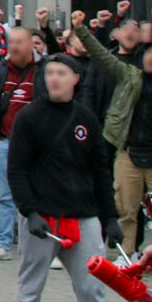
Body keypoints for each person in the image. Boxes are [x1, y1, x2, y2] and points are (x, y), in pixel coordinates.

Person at [9, 54, 118, 301]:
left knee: (93, 288)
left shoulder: (87, 119)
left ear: (76, 79)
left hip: (83, 215)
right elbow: (17, 170)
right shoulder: (28, 117)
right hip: (42, 218)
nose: (54, 79)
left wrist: (110, 217)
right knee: (30, 288)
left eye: (61, 73)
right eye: (50, 73)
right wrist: (30, 212)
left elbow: (101, 171)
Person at [71, 13, 152, 251]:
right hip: (128, 151)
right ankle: (127, 256)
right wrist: (82, 30)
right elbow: (101, 56)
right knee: (126, 209)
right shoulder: (128, 75)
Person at [0, 27, 45, 263]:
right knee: (5, 197)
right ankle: (3, 243)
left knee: (40, 196)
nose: (14, 47)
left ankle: (41, 248)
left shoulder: (44, 68)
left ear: (31, 45)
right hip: (5, 141)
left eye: (19, 42)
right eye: (12, 42)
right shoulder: (1, 69)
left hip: (38, 145)